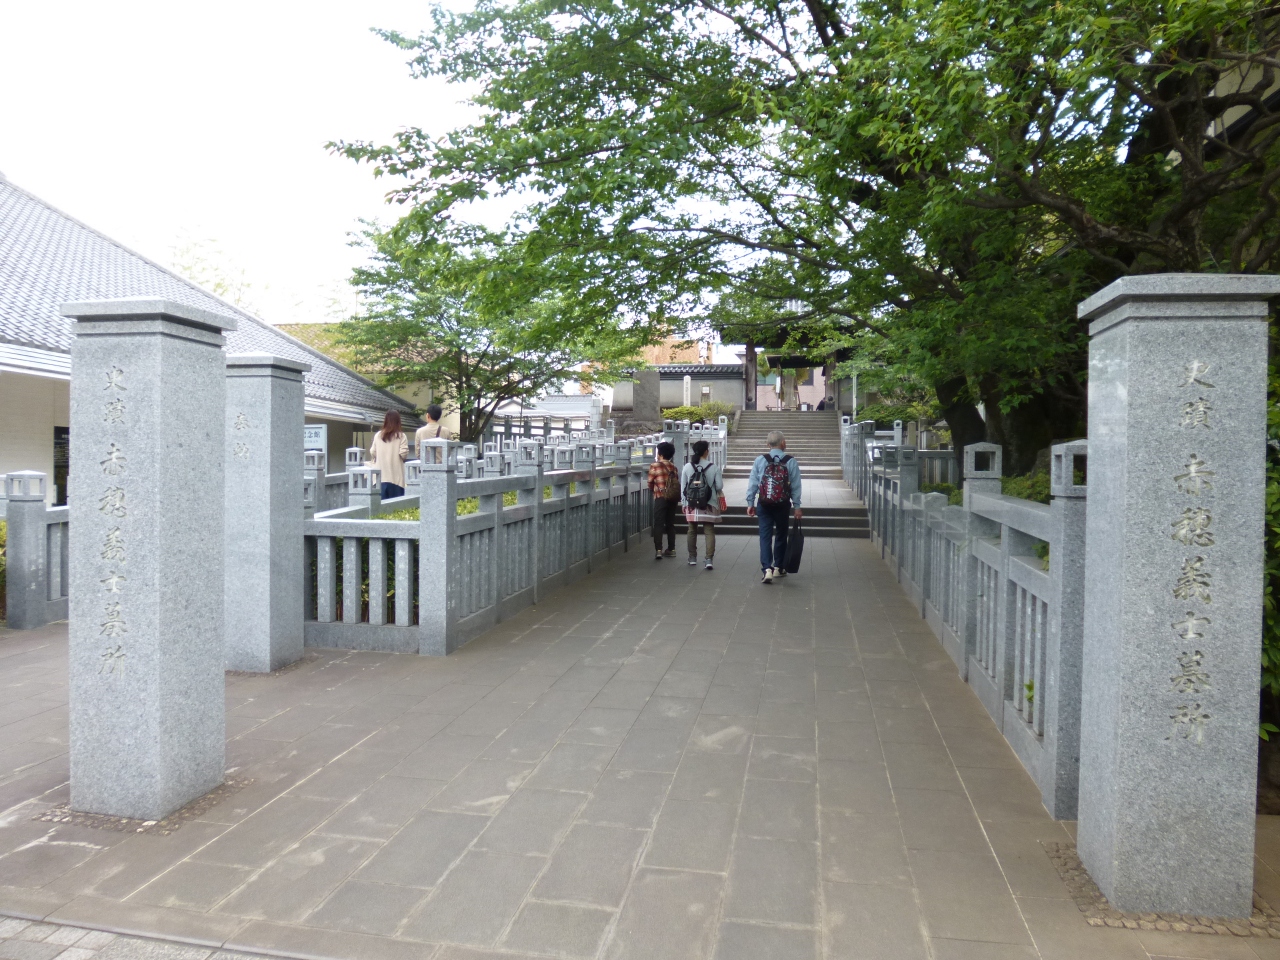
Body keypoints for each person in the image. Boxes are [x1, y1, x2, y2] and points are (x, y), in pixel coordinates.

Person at [745, 430, 803, 584]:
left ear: (767, 444)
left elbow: (753, 483)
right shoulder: (791, 461)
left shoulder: (760, 460)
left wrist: (750, 503)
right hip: (782, 504)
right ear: (783, 443)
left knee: (765, 535)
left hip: (764, 503)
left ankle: (767, 569)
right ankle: (779, 567)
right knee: (781, 534)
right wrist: (797, 506)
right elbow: (796, 486)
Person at [681, 438, 723, 570]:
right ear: (706, 451)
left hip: (691, 503)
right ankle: (709, 559)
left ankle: (692, 557)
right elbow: (719, 486)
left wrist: (684, 503)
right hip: (709, 503)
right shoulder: (713, 467)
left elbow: (683, 487)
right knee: (709, 530)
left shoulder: (687, 467)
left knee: (691, 530)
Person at [647, 441, 680, 559]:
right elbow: (675, 482)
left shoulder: (655, 466)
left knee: (659, 523)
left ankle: (659, 550)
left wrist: (655, 490)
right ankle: (672, 549)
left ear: (660, 454)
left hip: (660, 497)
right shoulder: (673, 467)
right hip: (672, 498)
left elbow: (650, 482)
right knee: (670, 523)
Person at [368, 410, 410, 500]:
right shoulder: (401, 436)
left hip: (380, 478)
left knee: (380, 507)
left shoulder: (378, 435)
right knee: (396, 507)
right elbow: (403, 454)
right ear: (398, 421)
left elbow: (372, 452)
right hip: (396, 479)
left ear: (385, 421)